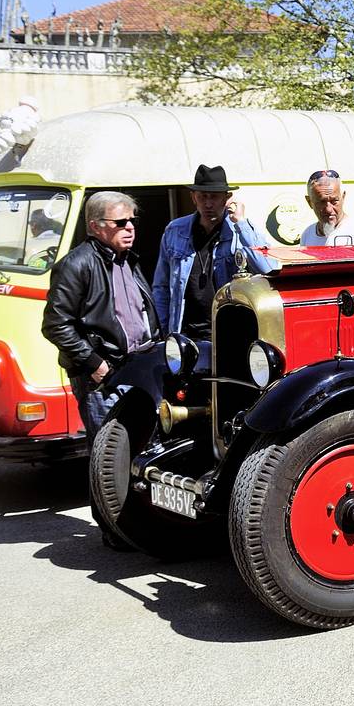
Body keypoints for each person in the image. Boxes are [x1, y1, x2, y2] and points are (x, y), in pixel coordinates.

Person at [41, 191, 159, 548]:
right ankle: (113, 532)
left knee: (138, 449)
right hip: (102, 375)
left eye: (132, 222)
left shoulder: (127, 259)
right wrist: (94, 364)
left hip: (137, 368)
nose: (129, 229)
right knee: (108, 456)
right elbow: (55, 324)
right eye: (120, 223)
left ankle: (138, 525)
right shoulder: (77, 264)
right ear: (96, 226)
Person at [153, 165, 278, 338]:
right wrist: (165, 333)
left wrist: (241, 222)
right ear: (193, 198)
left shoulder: (242, 231)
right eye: (202, 197)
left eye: (214, 197)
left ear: (227, 198)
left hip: (231, 335)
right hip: (185, 335)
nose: (208, 203)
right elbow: (162, 287)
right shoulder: (175, 231)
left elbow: (268, 267)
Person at [301, 169, 354, 247]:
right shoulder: (307, 235)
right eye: (321, 202)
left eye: (334, 201)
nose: (328, 209)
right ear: (309, 202)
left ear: (343, 197)